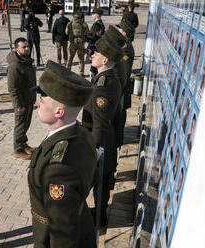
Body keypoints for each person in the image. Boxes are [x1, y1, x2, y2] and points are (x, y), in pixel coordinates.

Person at [28, 60, 98, 247]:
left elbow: (63, 234)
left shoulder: (58, 168)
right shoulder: (80, 132)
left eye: (42, 99)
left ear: (59, 111)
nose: (37, 103)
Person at [82, 34, 123, 227]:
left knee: (95, 178)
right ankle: (100, 214)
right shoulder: (107, 78)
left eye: (95, 53)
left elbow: (99, 122)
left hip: (99, 139)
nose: (91, 55)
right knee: (102, 179)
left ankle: (98, 218)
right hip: (107, 136)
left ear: (105, 60)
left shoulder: (103, 87)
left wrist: (94, 149)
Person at [6, 37, 36, 159]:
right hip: (21, 102)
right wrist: (19, 105)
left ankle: (23, 144)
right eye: (24, 47)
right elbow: (13, 89)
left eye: (28, 46)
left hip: (28, 99)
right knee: (20, 125)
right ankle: (18, 149)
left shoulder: (26, 61)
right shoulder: (15, 66)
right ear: (17, 49)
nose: (27, 48)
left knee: (26, 124)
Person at [66, 13, 89, 77]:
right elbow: (87, 32)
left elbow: (66, 32)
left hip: (73, 42)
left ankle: (68, 71)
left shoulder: (70, 23)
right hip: (81, 42)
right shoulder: (84, 24)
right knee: (81, 59)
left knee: (70, 58)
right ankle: (81, 73)